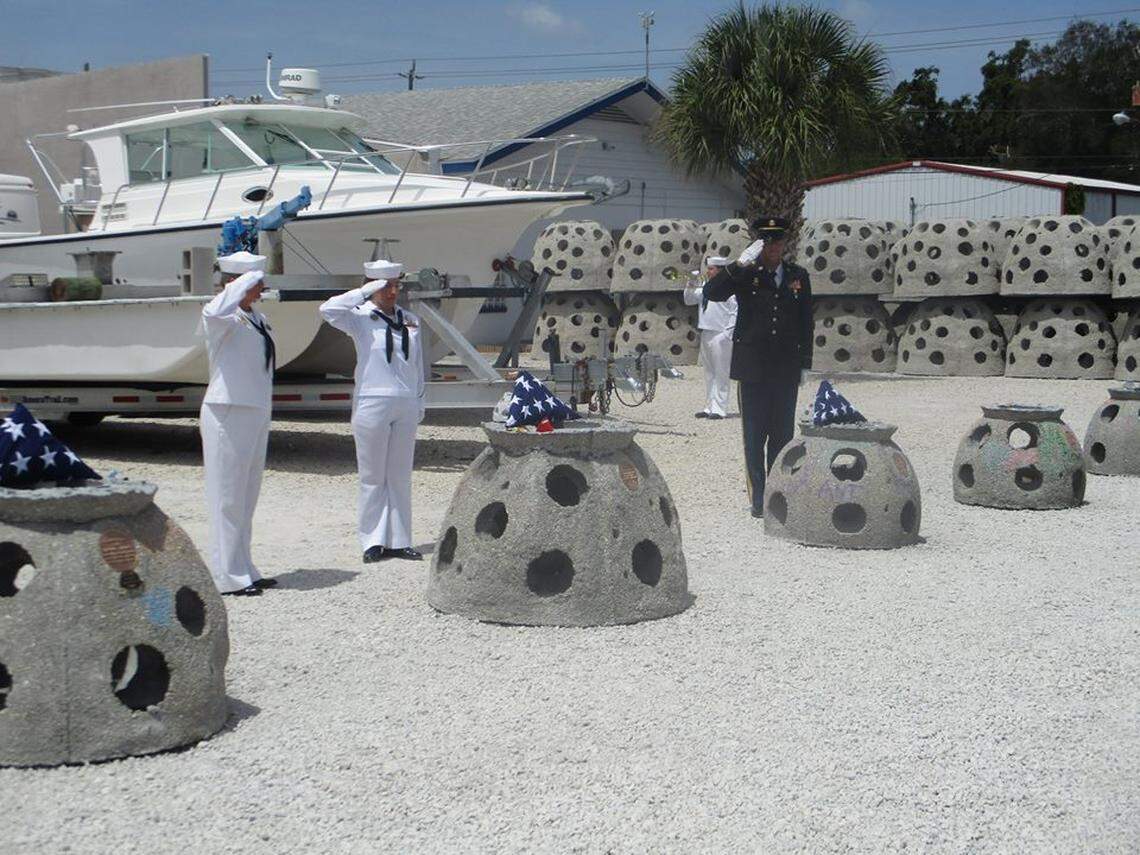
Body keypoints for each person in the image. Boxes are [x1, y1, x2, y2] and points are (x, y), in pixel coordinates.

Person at [705, 217, 813, 518]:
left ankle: (779, 493)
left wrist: (805, 363)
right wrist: (738, 265)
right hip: (753, 367)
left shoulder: (798, 276)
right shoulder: (746, 274)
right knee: (754, 437)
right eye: (768, 242)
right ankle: (758, 498)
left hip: (785, 368)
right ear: (759, 245)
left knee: (782, 435)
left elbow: (806, 321)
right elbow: (712, 293)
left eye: (779, 241)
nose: (774, 247)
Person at [320, 260, 426, 563]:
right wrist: (363, 292)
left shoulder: (411, 320)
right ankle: (373, 540)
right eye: (385, 286)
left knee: (400, 475)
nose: (393, 292)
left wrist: (419, 400)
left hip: (404, 402)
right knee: (372, 476)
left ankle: (400, 539)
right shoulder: (360, 317)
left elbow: (417, 365)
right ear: (373, 287)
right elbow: (327, 311)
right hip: (372, 401)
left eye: (396, 285)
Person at [199, 250, 278, 596]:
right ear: (237, 283)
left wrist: (250, 280)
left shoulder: (255, 317)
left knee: (247, 496)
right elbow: (217, 307)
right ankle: (226, 575)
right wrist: (244, 278)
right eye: (256, 282)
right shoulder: (221, 316)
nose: (261, 289)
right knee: (227, 497)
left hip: (256, 408)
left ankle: (244, 567)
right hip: (227, 410)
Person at [683, 255, 736, 420]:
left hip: (721, 333)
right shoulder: (706, 286)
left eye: (711, 269)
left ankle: (720, 409)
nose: (708, 271)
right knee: (709, 372)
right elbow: (689, 300)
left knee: (721, 372)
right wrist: (690, 283)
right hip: (706, 331)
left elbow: (735, 310)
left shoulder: (728, 287)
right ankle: (709, 406)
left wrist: (728, 333)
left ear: (720, 270)